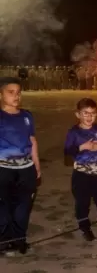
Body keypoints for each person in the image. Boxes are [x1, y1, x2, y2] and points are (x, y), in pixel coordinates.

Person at [64, 98, 97, 241]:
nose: (89, 117)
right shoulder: (74, 132)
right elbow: (68, 151)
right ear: (78, 114)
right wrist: (82, 147)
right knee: (82, 202)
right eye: (85, 113)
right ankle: (85, 228)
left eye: (93, 113)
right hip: (82, 174)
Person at [0, 77, 41, 255]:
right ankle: (3, 241)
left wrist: (36, 165)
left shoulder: (27, 116)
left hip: (26, 168)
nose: (16, 96)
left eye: (18, 92)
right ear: (0, 94)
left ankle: (19, 240)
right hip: (3, 169)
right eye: (11, 92)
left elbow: (32, 141)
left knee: (23, 207)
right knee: (3, 207)